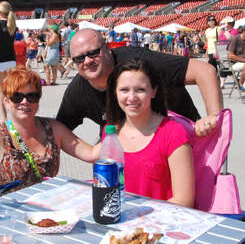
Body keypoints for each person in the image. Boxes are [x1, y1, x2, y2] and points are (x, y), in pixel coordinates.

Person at [56, 28, 222, 138]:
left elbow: (205, 71)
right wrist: (89, 152)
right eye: (78, 58)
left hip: (181, 136)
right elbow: (59, 130)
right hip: (133, 148)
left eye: (93, 53)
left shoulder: (140, 62)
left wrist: (213, 119)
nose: (87, 61)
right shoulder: (78, 90)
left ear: (107, 48)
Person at [0, 66, 99, 190]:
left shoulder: (54, 129)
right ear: (6, 102)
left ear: (38, 99)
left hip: (44, 207)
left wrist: (118, 130)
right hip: (8, 210)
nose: (25, 102)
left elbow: (92, 154)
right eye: (17, 97)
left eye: (31, 96)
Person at [105, 58, 194, 207]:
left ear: (154, 91)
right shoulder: (111, 131)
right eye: (124, 90)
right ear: (114, 92)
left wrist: (137, 216)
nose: (132, 98)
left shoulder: (173, 133)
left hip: (160, 224)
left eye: (140, 90)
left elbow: (184, 200)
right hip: (118, 222)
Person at [227, 26, 245, 90]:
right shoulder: (235, 39)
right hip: (234, 63)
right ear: (243, 31)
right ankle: (240, 84)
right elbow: (230, 56)